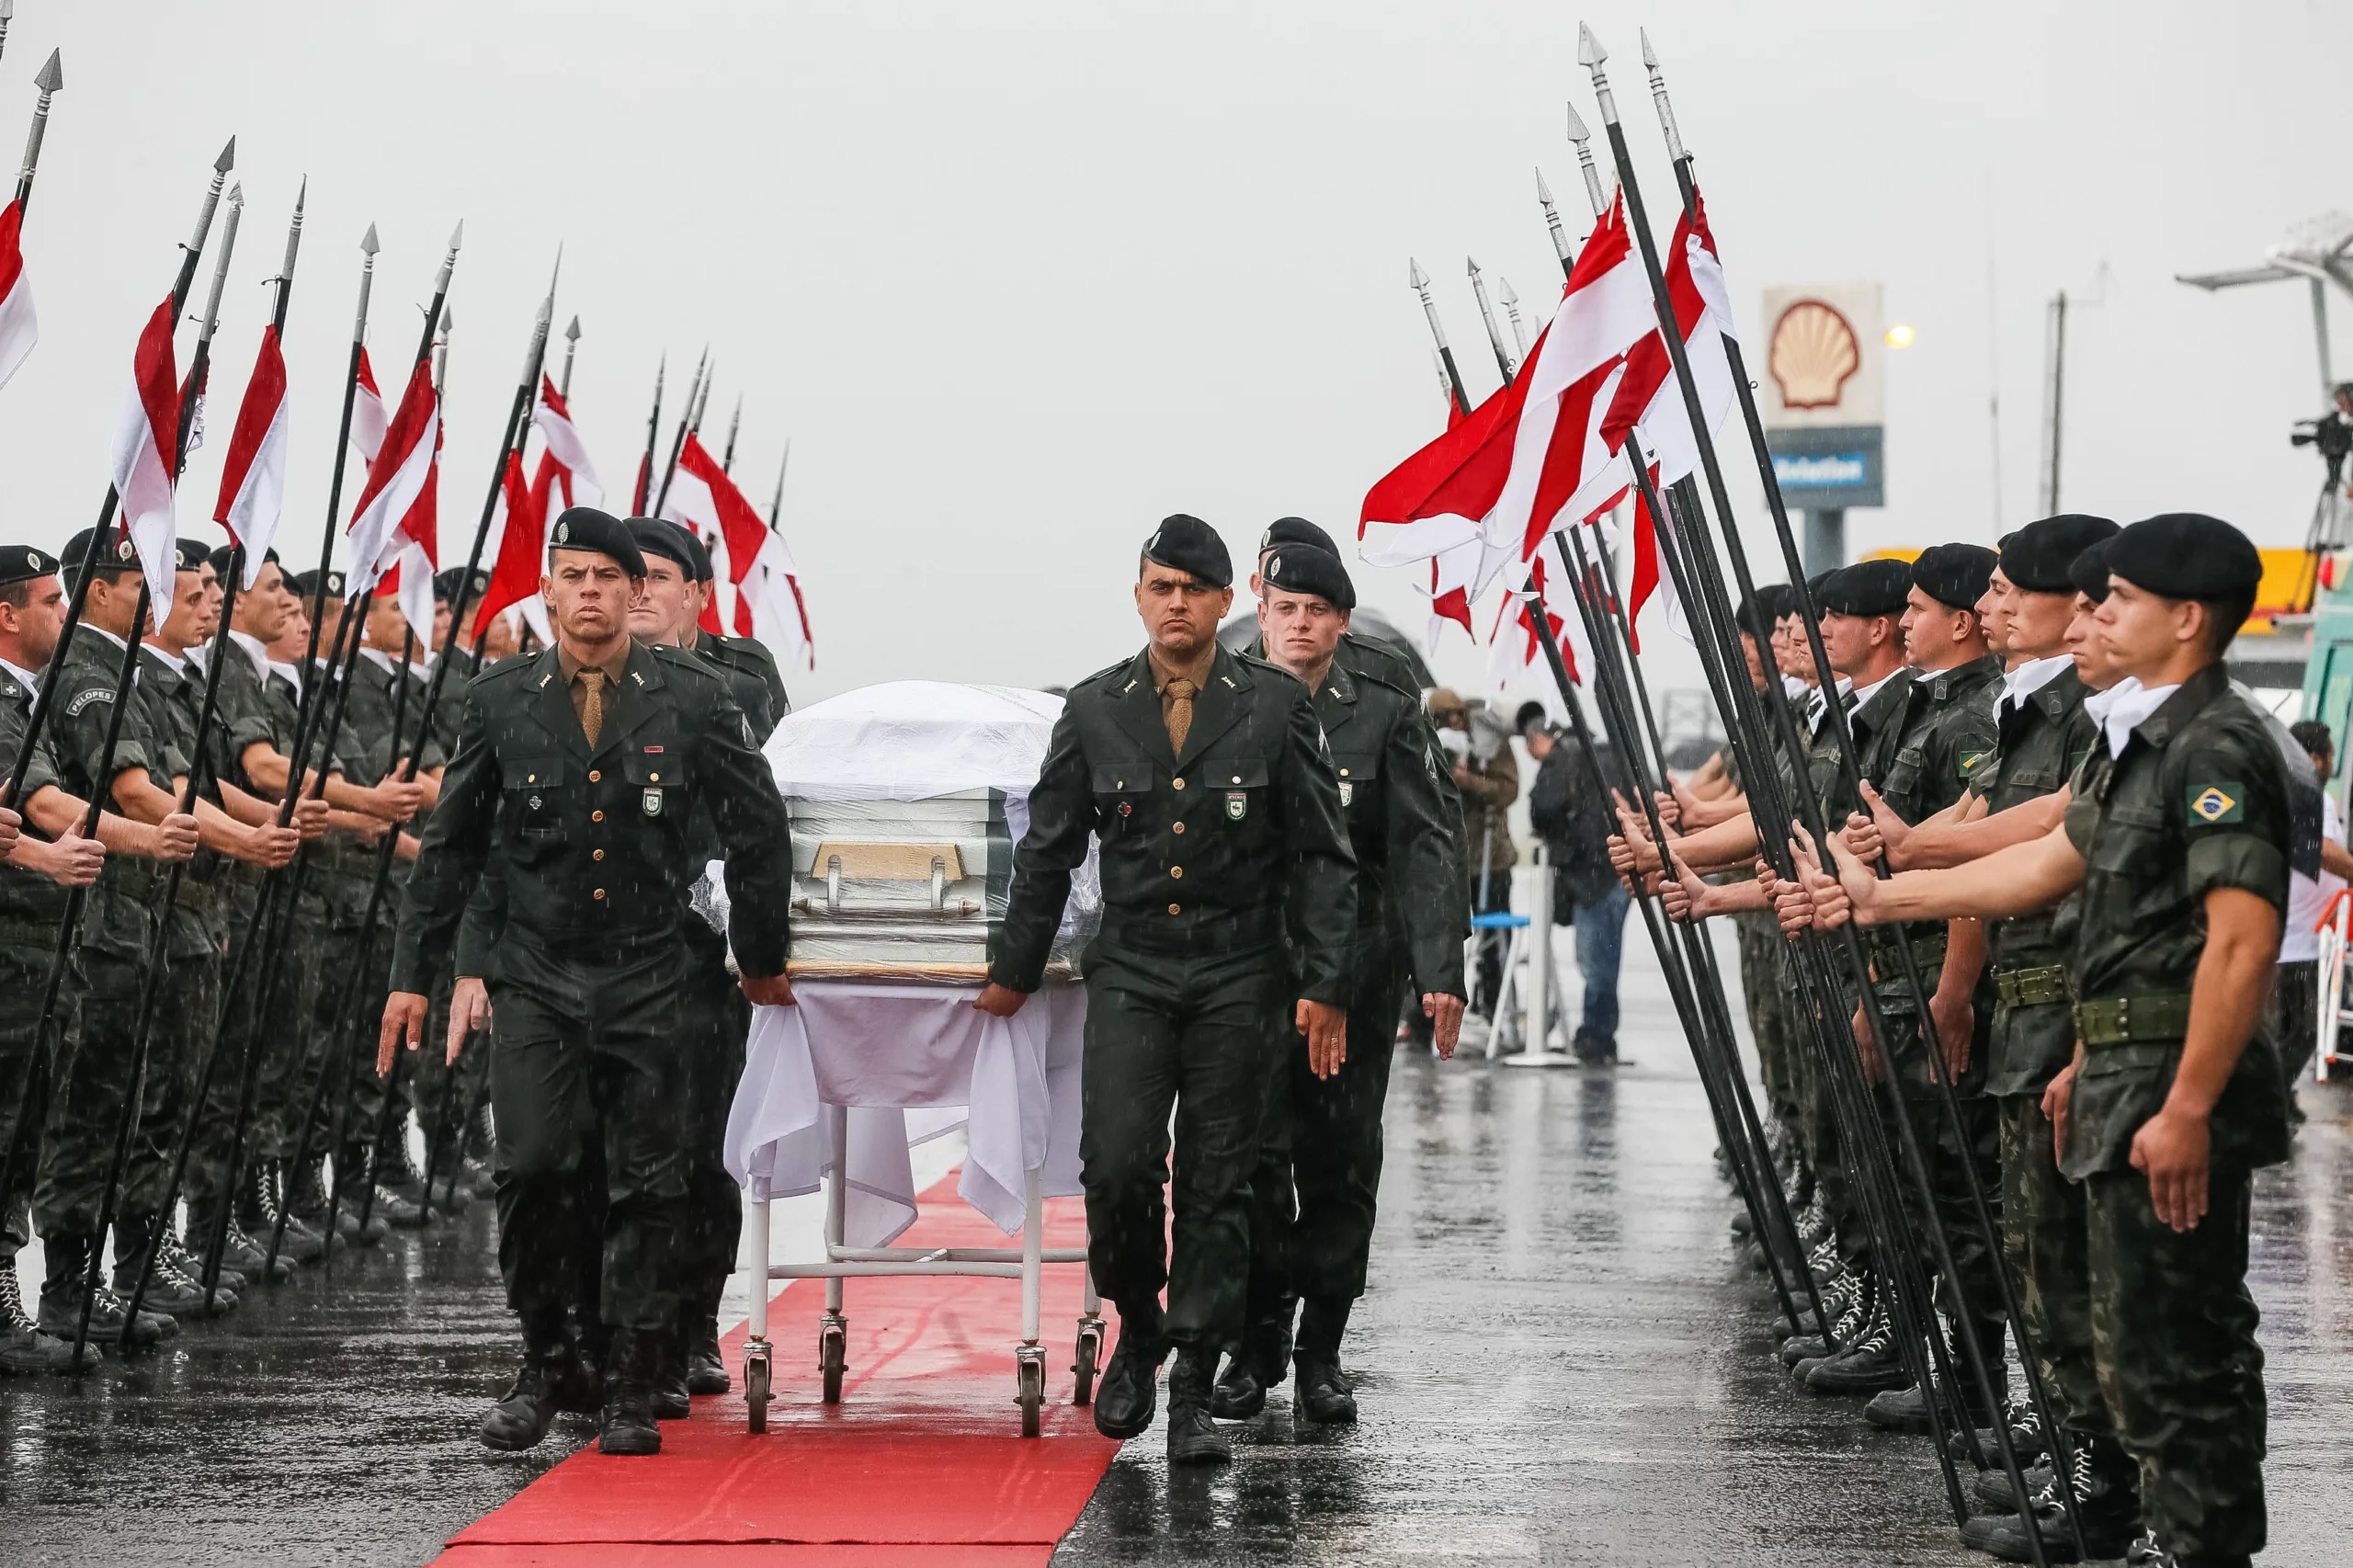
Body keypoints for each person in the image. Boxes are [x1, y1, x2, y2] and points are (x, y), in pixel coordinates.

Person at [1807, 513, 2289, 1568]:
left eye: (2117, 598)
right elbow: (2043, 870)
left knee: (2178, 1344)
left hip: (2170, 1078)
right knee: (2126, 1334)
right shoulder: (2140, 743)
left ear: (2187, 617)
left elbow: (2240, 943)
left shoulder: (2213, 747)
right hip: (2118, 1067)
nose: (2094, 611)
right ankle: (2149, 1521)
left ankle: (2195, 1545)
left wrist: (2189, 1103)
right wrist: (1883, 897)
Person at [380, 506, 797, 1458]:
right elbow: (454, 848)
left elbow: (757, 831)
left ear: (635, 591)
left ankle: (635, 1376)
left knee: (651, 1182)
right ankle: (547, 1354)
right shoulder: (498, 698)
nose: (595, 593)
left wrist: (761, 959)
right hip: (539, 972)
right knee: (532, 1164)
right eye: (574, 576)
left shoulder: (693, 696)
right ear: (549, 590)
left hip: (657, 970)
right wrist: (421, 973)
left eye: (612, 577)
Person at [974, 514, 1355, 1467]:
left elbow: (1319, 854)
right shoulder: (1097, 707)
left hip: (1239, 971)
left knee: (1221, 1179)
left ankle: (1189, 1374)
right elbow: (1049, 846)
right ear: (1139, 596)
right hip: (1135, 966)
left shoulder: (1270, 707)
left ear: (1228, 601)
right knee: (1117, 1163)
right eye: (1159, 586)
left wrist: (1324, 981)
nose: (1175, 602)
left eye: (1193, 587)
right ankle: (1137, 1325)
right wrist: (1011, 970)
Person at [1217, 541, 1463, 1426]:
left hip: (1358, 971)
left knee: (1340, 1162)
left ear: (1342, 621)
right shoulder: (1222, 690)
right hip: (1251, 972)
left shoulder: (1387, 706)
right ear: (1263, 603)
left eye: (1318, 611)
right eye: (1287, 607)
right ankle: (1255, 1343)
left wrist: (1440, 969)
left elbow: (1427, 840)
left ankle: (1322, 1352)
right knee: (1247, 1165)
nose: (1301, 625)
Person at [1520, 695, 1631, 1062]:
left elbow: (1541, 810)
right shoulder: (1601, 751)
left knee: (1593, 960)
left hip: (1591, 873)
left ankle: (1595, 1038)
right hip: (1618, 867)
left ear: (1538, 739)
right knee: (1606, 958)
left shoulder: (1561, 759)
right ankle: (1602, 1034)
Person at [1427, 686, 1517, 1021]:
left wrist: (1471, 781)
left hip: (1489, 857)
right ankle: (1424, 1016)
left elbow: (1508, 790)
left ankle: (1494, 1007)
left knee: (1495, 939)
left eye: (1455, 719)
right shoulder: (1425, 743)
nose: (1451, 727)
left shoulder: (1490, 741)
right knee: (1435, 940)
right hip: (1443, 857)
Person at [2274, 719, 2348, 1110]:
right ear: (2317, 758)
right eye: (2332, 755)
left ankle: (2277, 1104)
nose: (2333, 763)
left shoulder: (2294, 794)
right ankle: (2271, 1107)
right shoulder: (2309, 795)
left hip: (2297, 937)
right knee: (2299, 1032)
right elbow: (2320, 851)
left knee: (2290, 1031)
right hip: (2300, 940)